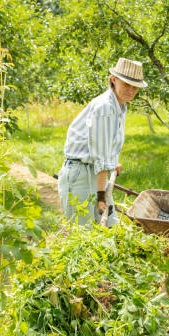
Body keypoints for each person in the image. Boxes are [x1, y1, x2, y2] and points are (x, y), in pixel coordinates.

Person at [58, 58, 147, 226]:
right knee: (82, 234)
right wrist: (101, 197)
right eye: (127, 84)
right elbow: (100, 155)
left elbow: (106, 144)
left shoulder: (120, 105)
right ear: (114, 79)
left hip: (96, 173)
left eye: (135, 87)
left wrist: (112, 163)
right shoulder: (105, 107)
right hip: (81, 175)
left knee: (109, 228)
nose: (131, 90)